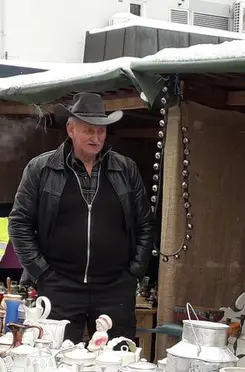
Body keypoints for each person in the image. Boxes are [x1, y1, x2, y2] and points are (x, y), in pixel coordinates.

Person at [9, 92, 154, 342]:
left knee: (116, 359)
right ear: (71, 129)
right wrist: (41, 273)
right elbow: (19, 223)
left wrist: (134, 273)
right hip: (59, 285)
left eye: (101, 131)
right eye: (89, 130)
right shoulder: (41, 169)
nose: (96, 138)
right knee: (56, 360)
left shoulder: (125, 169)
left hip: (115, 287)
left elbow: (145, 224)